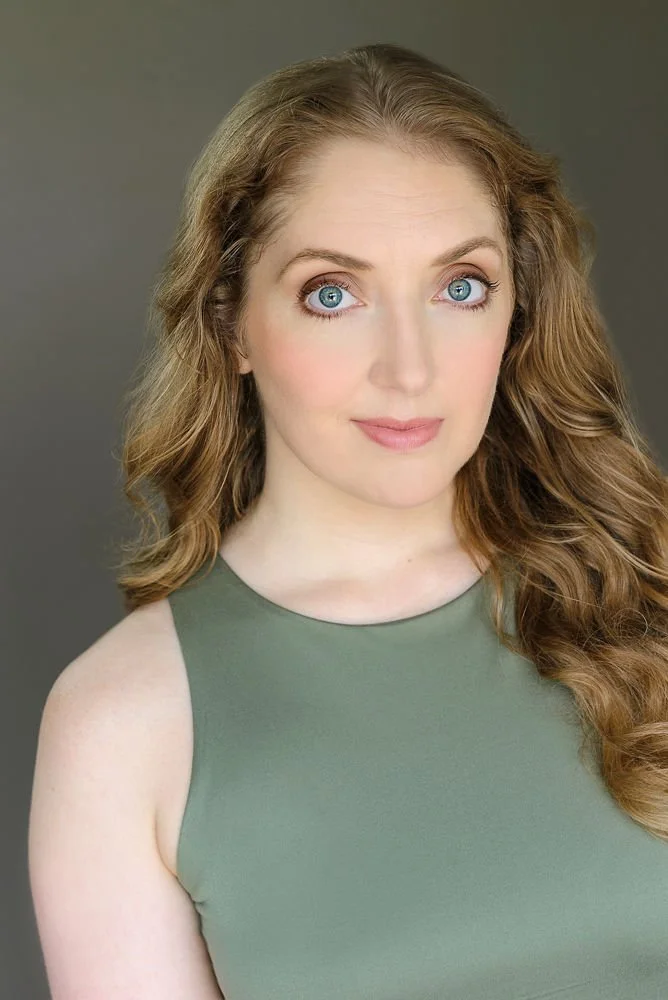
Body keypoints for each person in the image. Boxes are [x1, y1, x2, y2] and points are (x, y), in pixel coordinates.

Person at [28, 42, 668, 1000]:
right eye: (332, 294)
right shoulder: (124, 723)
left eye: (461, 287)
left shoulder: (648, 590)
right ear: (231, 323)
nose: (409, 369)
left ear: (518, 312)